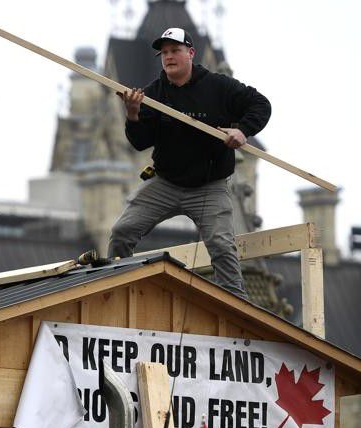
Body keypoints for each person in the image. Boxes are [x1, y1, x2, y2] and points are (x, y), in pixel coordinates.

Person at [111, 27, 271, 300]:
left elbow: (261, 105)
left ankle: (238, 310)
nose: (169, 57)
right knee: (122, 231)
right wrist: (133, 113)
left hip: (210, 186)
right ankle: (118, 290)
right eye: (164, 53)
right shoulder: (154, 94)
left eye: (175, 51)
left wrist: (242, 131)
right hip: (166, 182)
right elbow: (140, 142)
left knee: (221, 245)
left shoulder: (218, 87)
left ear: (191, 53)